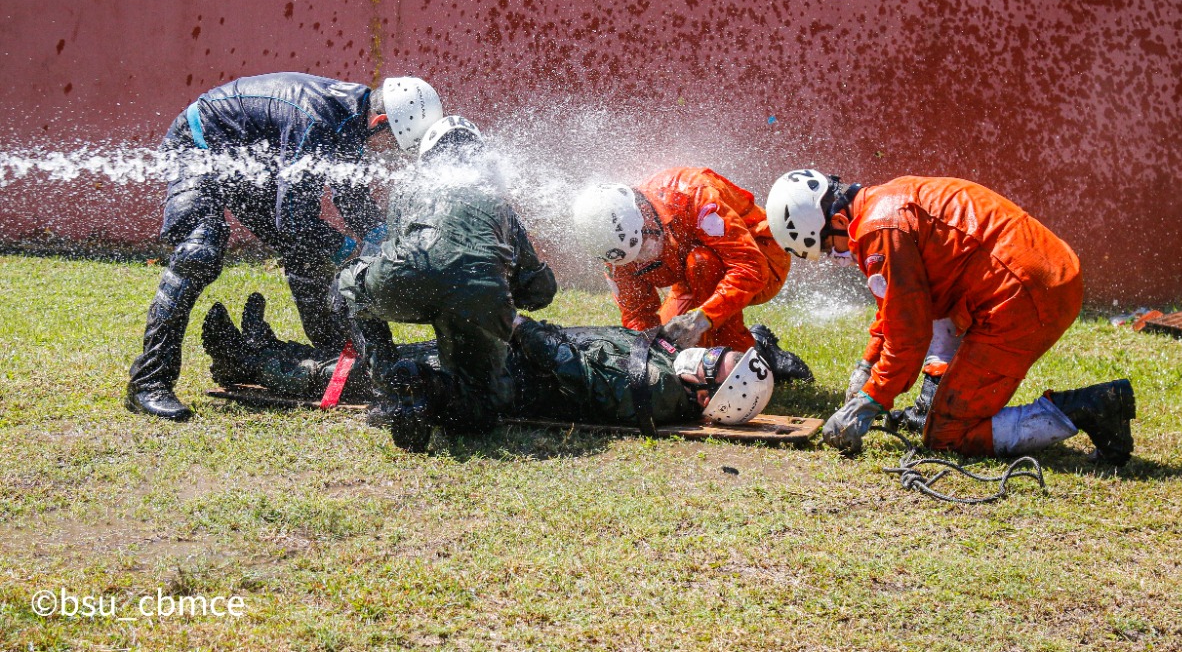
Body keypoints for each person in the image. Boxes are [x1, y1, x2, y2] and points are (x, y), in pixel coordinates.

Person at [126, 72, 443, 421]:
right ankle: (148, 382)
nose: (392, 155)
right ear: (380, 121)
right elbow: (291, 219)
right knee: (200, 250)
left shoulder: (354, 119)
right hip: (199, 144)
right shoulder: (316, 120)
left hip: (246, 157)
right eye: (394, 144)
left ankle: (330, 354)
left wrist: (382, 236)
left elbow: (350, 196)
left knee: (305, 250)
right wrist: (350, 249)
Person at [765, 170, 1137, 465]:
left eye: (829, 246)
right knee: (934, 368)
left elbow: (908, 336)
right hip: (1035, 274)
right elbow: (897, 305)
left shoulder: (879, 230)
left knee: (947, 435)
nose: (836, 256)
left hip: (1022, 295)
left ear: (831, 221)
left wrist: (870, 400)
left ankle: (1091, 408)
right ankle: (935, 398)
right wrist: (867, 363)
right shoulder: (880, 204)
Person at [200, 295, 775, 436]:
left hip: (504, 378)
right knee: (397, 356)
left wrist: (520, 328)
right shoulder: (668, 370)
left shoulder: (655, 393)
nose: (717, 352)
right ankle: (272, 350)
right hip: (507, 360)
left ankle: (246, 362)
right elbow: (618, 344)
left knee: (383, 374)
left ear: (708, 398)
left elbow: (576, 371)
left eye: (722, 364)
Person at [336, 115, 558, 451]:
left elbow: (394, 251)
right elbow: (540, 292)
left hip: (406, 283)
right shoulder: (497, 201)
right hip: (476, 298)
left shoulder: (406, 189)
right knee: (481, 409)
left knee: (349, 284)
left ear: (426, 158)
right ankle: (425, 386)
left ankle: (387, 391)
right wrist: (504, 290)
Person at [572, 168, 812, 381]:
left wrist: (702, 320)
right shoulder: (615, 253)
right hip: (693, 276)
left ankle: (746, 363)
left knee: (702, 264)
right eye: (633, 257)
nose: (642, 257)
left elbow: (750, 267)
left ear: (643, 213)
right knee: (669, 349)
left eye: (644, 242)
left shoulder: (693, 195)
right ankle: (758, 347)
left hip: (762, 259)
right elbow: (638, 317)